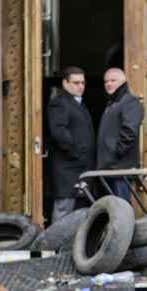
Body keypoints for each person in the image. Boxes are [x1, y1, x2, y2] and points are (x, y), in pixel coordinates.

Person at [47, 66, 95, 223]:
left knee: (79, 212)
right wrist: (76, 153)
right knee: (63, 210)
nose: (80, 86)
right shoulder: (60, 103)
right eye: (76, 83)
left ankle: (73, 247)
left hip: (80, 168)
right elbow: (59, 132)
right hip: (67, 168)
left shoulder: (78, 103)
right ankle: (56, 246)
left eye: (82, 82)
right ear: (65, 83)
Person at [97, 68, 144, 201]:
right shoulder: (113, 102)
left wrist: (116, 153)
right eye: (106, 81)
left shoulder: (130, 102)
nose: (109, 84)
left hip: (120, 168)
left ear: (123, 82)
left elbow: (130, 131)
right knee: (112, 208)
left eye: (113, 80)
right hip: (110, 167)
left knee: (121, 208)